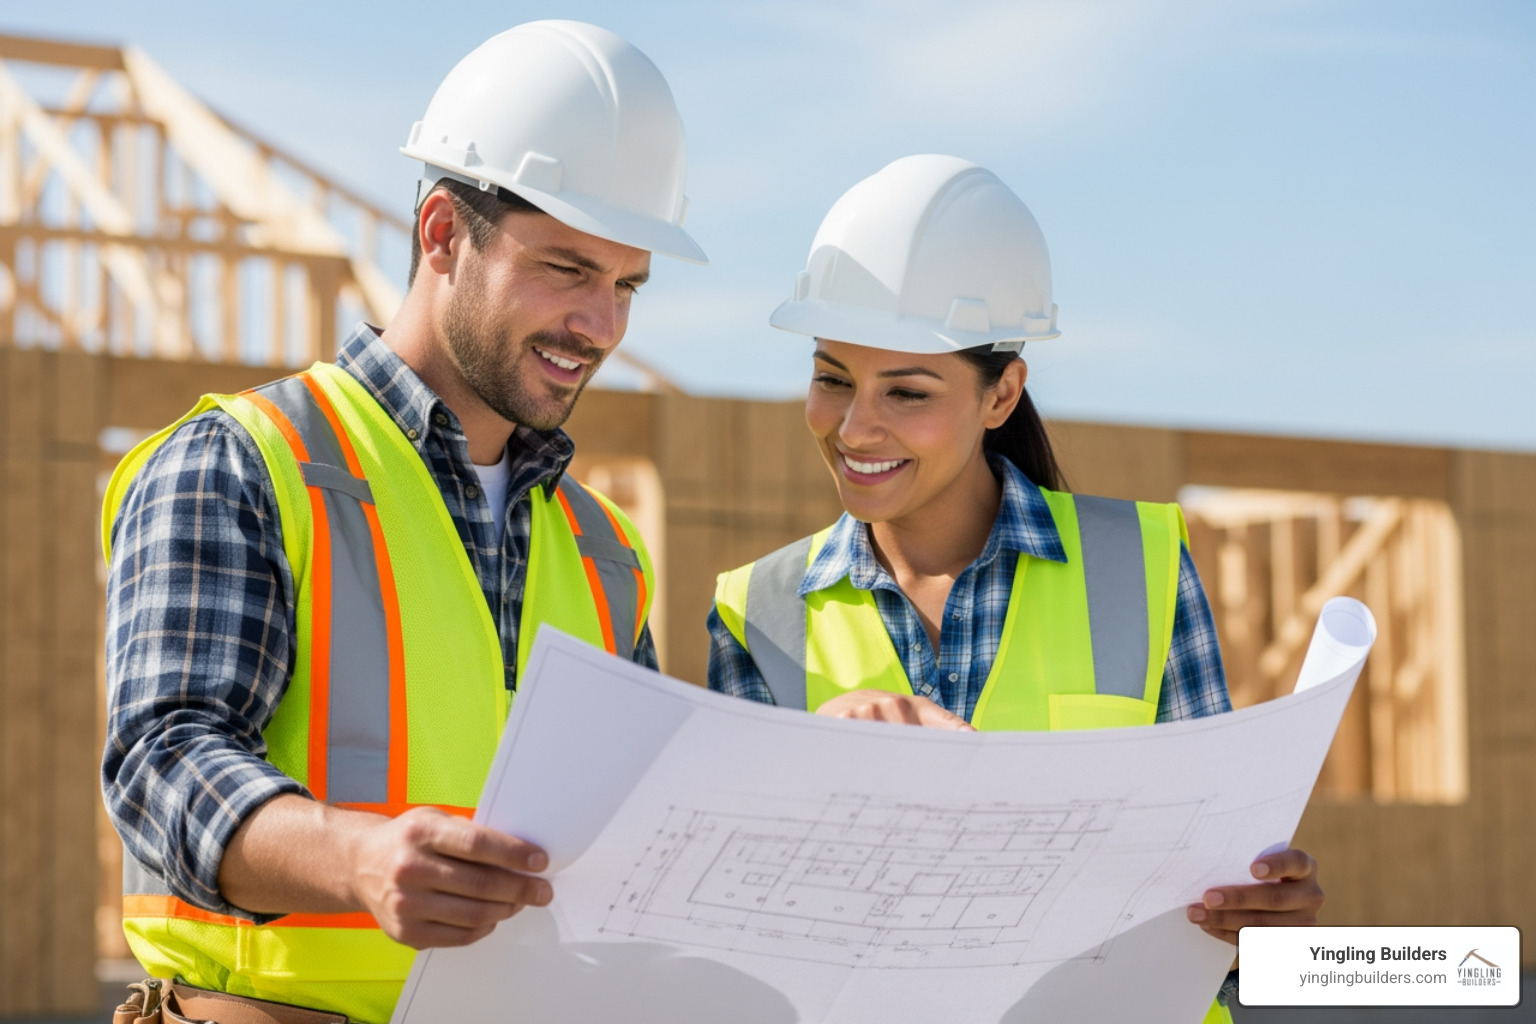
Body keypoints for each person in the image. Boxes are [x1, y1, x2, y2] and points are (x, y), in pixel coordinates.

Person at [101, 21, 705, 1024]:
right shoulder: (246, 463)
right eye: (565, 268)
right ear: (440, 234)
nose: (601, 326)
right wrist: (360, 860)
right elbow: (165, 763)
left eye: (625, 284)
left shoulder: (606, 551)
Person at [707, 155, 1322, 1024]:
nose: (853, 427)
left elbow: (1217, 915)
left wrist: (1258, 925)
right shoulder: (755, 613)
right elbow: (736, 945)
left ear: (1002, 393)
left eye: (906, 391)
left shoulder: (1140, 570)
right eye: (832, 376)